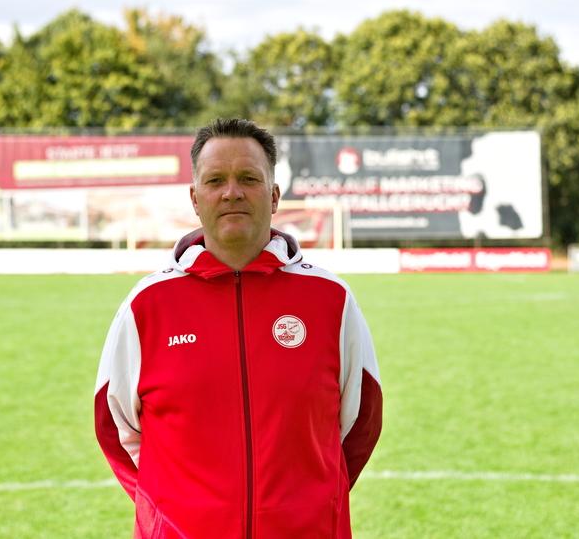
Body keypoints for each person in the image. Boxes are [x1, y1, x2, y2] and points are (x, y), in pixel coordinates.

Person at [94, 118, 383, 538]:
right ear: (196, 197)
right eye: (216, 180)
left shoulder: (330, 300)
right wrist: (169, 514)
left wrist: (316, 504)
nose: (232, 192)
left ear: (275, 194)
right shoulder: (147, 306)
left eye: (249, 178)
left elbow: (361, 422)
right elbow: (114, 428)